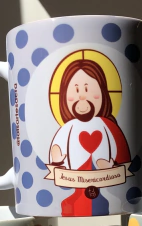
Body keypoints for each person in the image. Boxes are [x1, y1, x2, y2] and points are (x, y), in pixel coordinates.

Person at [49, 58, 131, 216]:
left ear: (102, 93)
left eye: (87, 89)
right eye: (76, 91)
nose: (82, 97)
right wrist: (57, 160)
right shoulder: (66, 129)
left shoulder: (109, 127)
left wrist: (111, 166)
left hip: (110, 187)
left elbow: (122, 154)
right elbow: (57, 158)